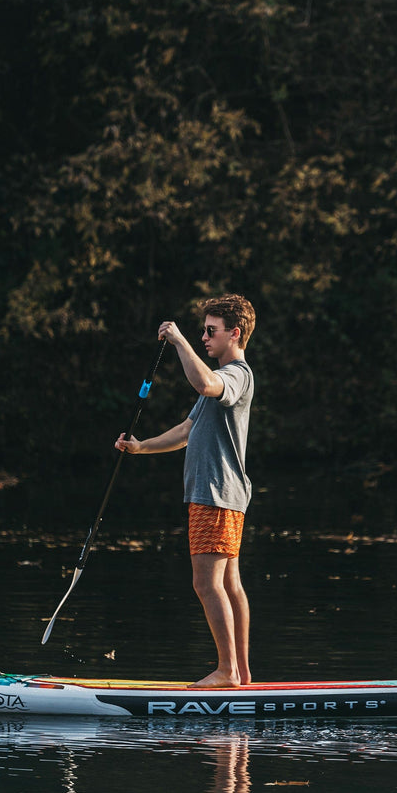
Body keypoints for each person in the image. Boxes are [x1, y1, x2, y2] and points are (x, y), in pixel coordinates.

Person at [115, 294, 256, 688]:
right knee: (228, 583)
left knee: (205, 582)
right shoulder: (221, 382)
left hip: (214, 494)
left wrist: (179, 341)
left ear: (235, 333)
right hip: (221, 495)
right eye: (202, 331)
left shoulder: (234, 375)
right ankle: (241, 674)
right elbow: (186, 431)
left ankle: (227, 672)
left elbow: (205, 381)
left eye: (211, 331)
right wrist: (141, 446)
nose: (205, 337)